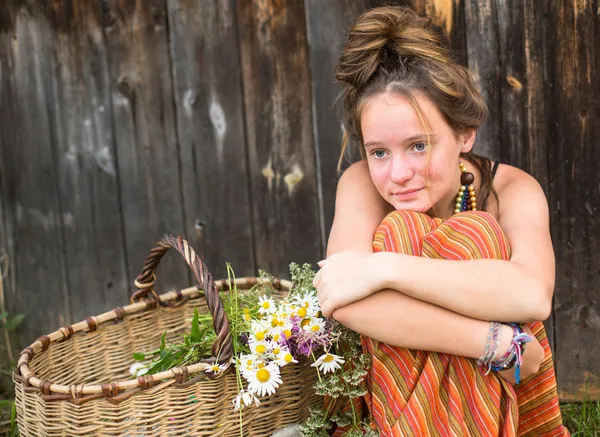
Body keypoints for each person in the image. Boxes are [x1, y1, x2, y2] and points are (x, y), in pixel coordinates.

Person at [313, 6, 568, 437]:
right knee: (400, 230)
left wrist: (384, 268)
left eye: (418, 146)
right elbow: (343, 297)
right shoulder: (360, 184)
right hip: (405, 396)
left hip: (494, 399)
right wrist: (495, 345)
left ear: (464, 133)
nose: (397, 174)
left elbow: (531, 294)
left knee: (476, 234)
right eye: (379, 152)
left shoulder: (510, 189)